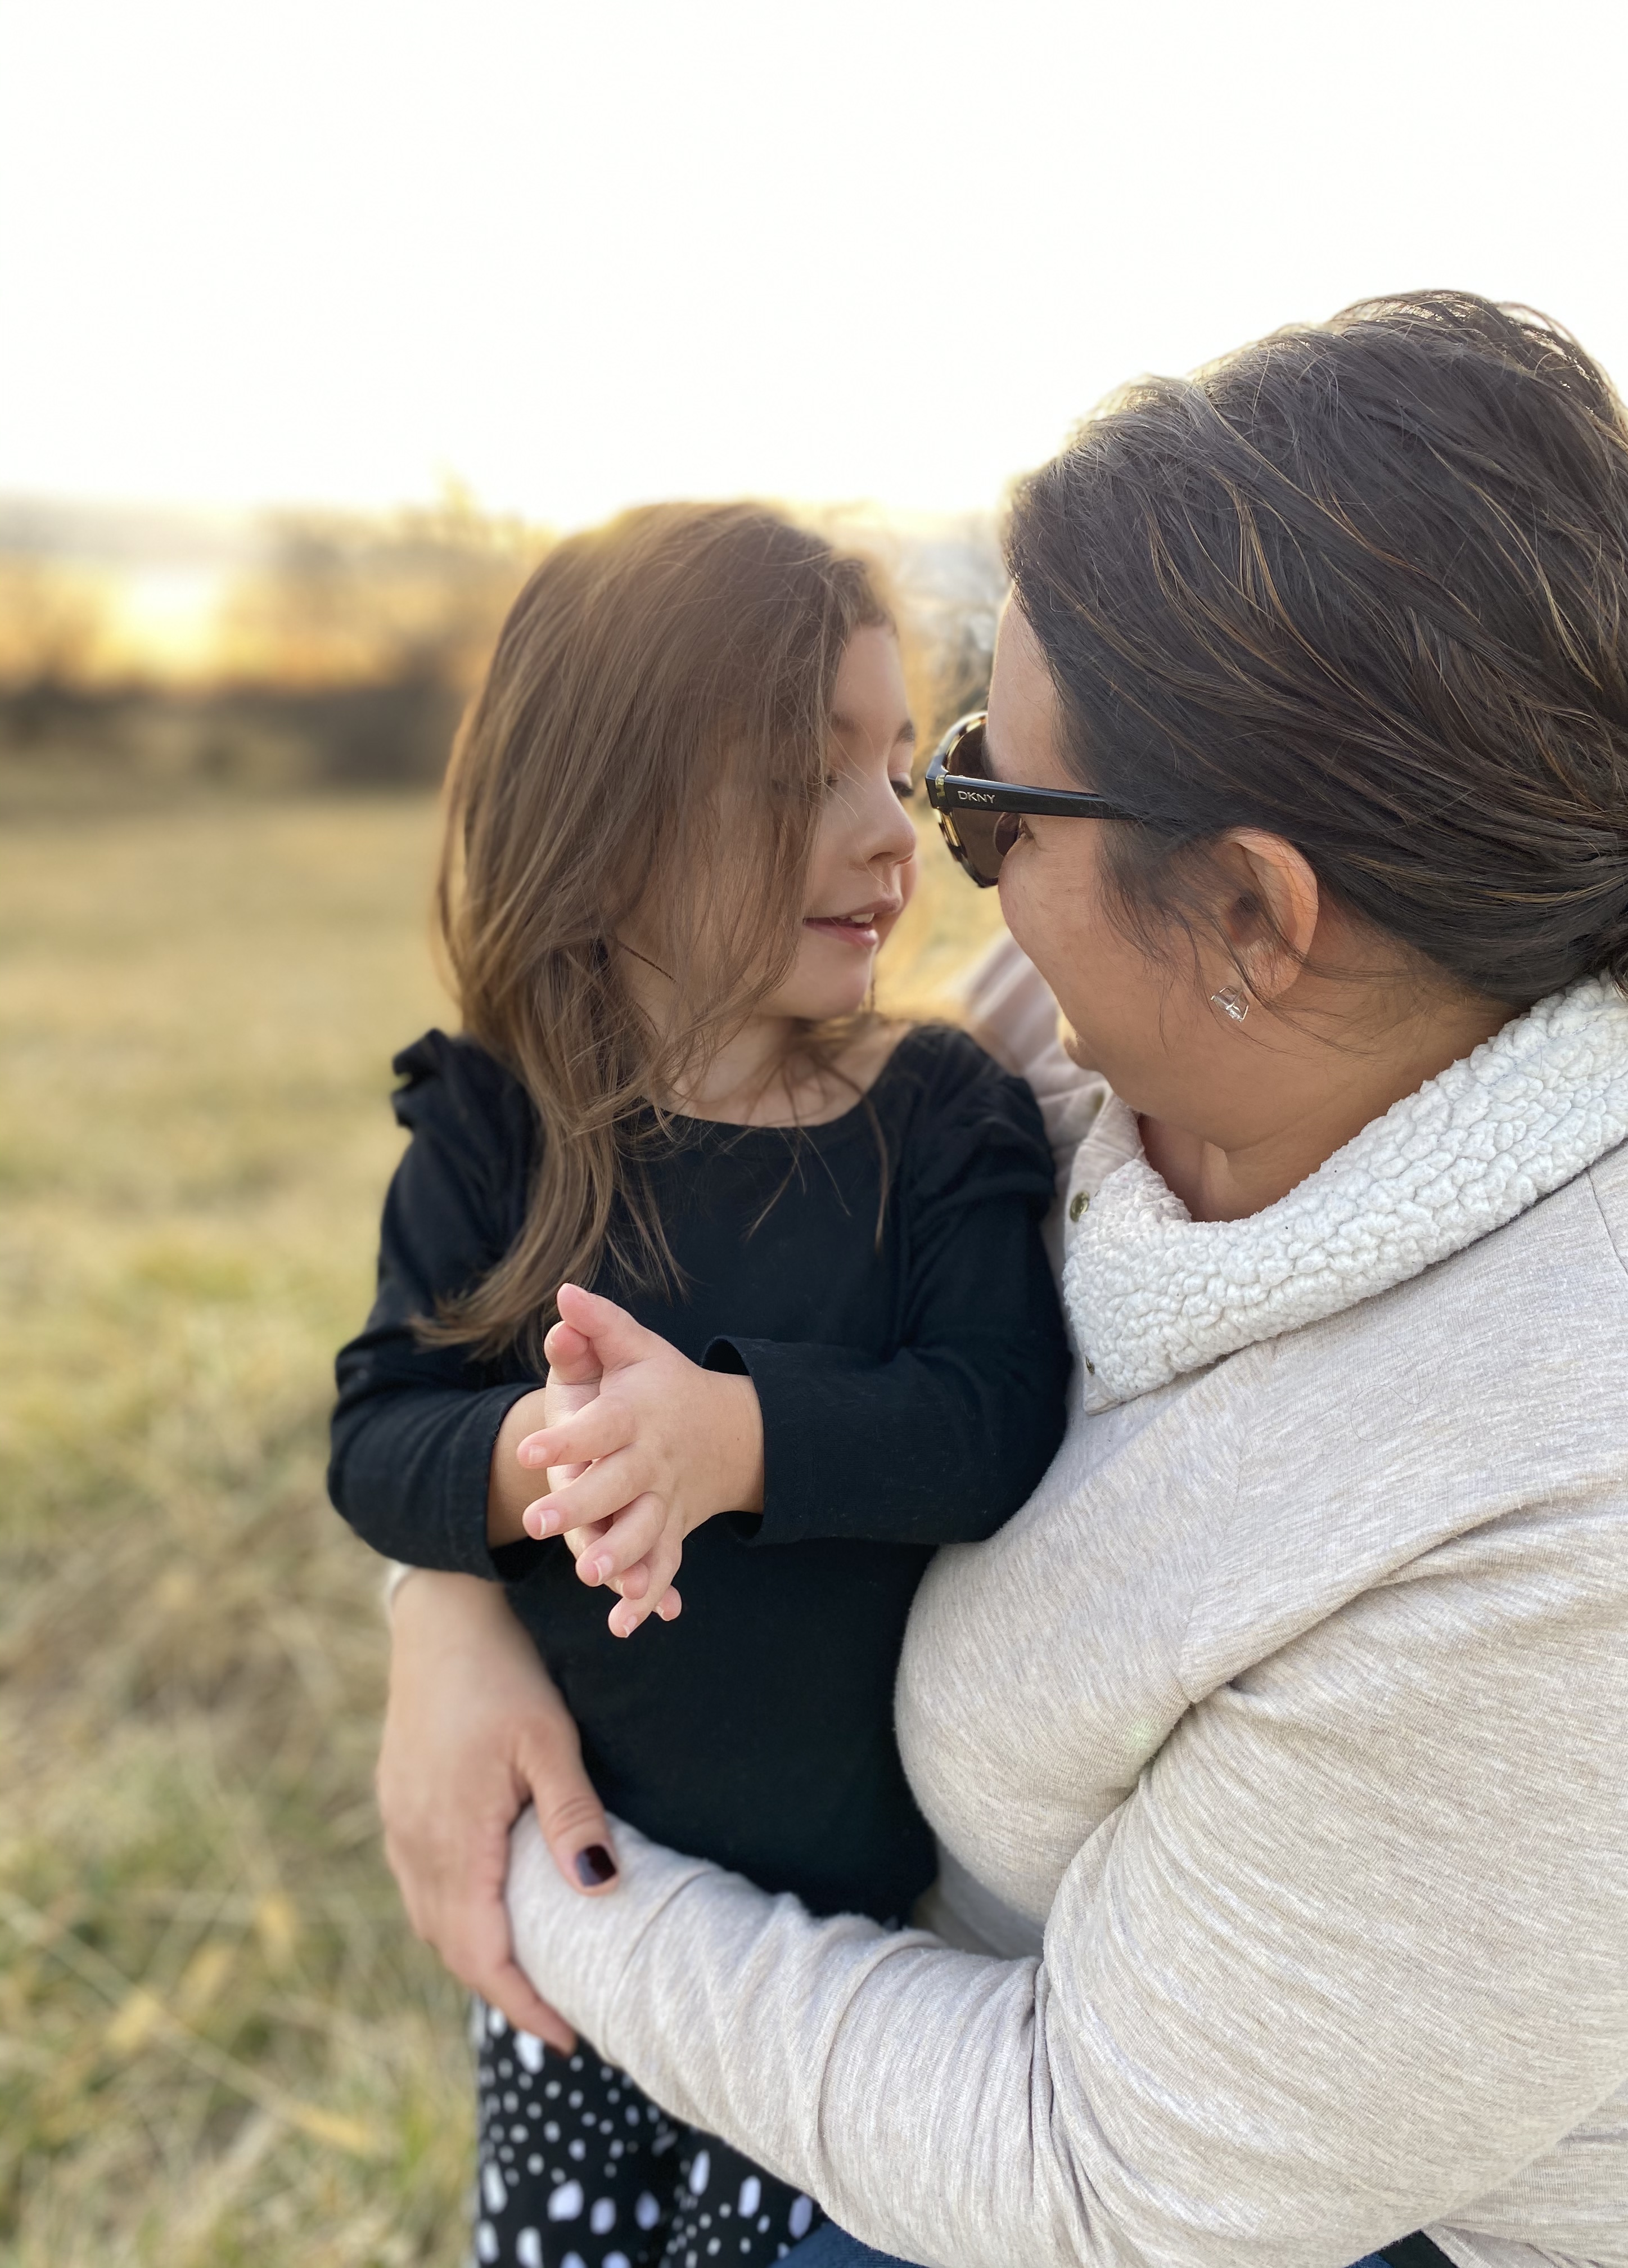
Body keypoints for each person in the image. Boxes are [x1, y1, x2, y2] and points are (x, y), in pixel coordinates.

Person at [378, 295, 1628, 2268]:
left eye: (986, 793)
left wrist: (545, 1881)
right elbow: (513, 1332)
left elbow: (1094, 2183)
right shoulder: (1126, 1042)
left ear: (1252, 911)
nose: (931, 847)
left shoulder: (1602, 1491)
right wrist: (448, 1606)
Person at [328, 500, 1070, 2268]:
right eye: (801, 777)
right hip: (589, 1932)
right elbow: (377, 1429)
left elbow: (989, 1421)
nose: (891, 833)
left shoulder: (938, 1118)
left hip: (849, 1970)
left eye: (896, 765)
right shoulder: (498, 1125)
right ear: (601, 820)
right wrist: (542, 1455)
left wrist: (722, 1439)